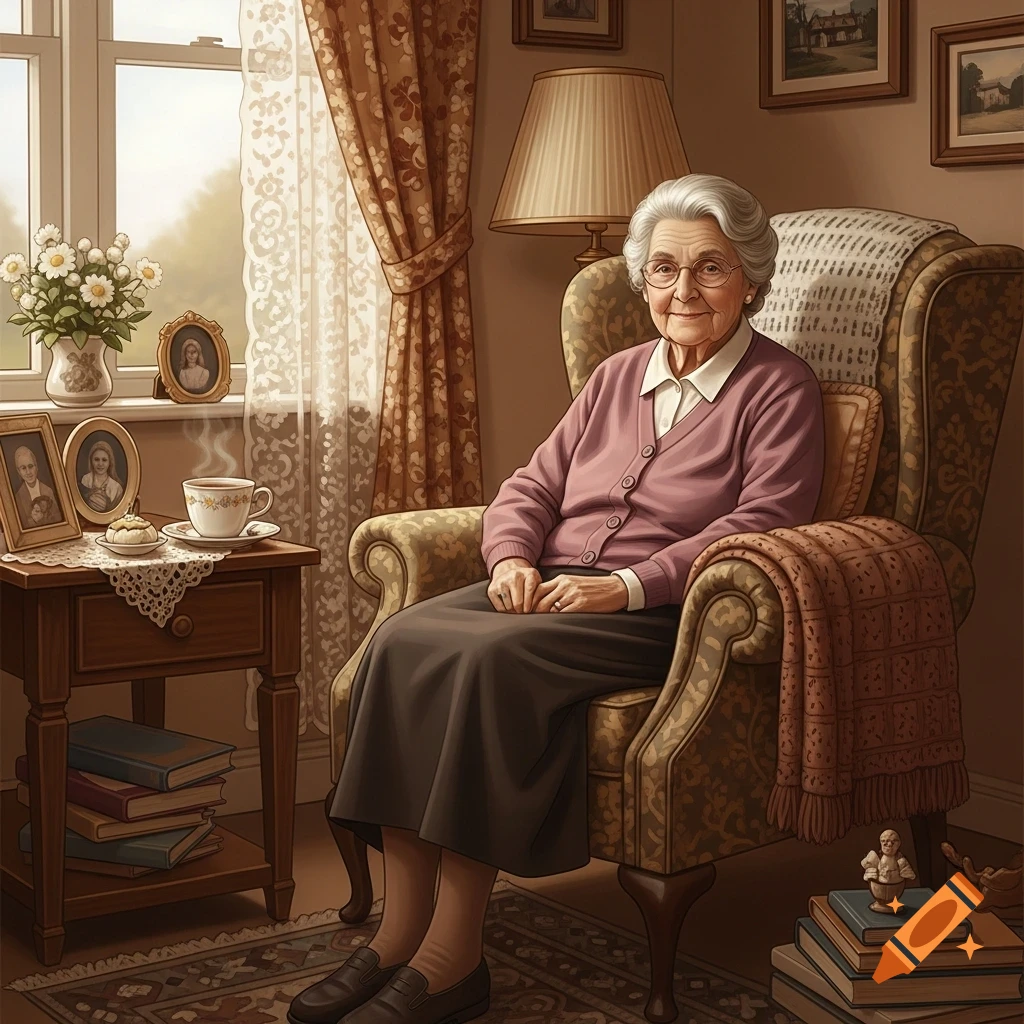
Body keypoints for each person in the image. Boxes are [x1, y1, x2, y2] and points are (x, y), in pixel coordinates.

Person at [288, 174, 827, 1024]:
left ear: (750, 279)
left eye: (710, 268)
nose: (683, 291)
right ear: (642, 279)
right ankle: (396, 935)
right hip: (547, 590)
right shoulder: (618, 376)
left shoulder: (779, 388)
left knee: (488, 663)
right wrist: (507, 556)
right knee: (401, 641)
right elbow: (531, 486)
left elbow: (764, 522)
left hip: (661, 618)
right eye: (664, 270)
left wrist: (623, 587)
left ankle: (453, 955)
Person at [12, 445, 59, 529]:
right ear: (19, 472)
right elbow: (21, 526)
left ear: (36, 467)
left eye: (30, 466)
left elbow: (57, 518)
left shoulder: (48, 491)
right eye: (23, 468)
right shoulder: (18, 497)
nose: (28, 472)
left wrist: (43, 519)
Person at [80, 439, 124, 513]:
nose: (100, 464)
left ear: (110, 462)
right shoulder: (86, 479)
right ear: (91, 461)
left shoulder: (116, 487)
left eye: (104, 460)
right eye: (96, 459)